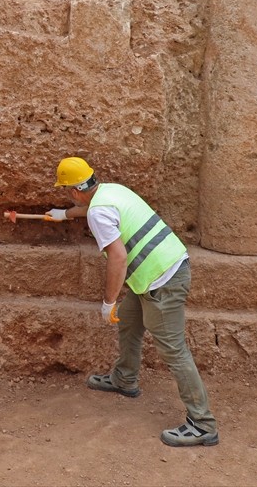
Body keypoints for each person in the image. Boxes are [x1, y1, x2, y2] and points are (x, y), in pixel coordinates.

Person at [46, 156, 219, 447]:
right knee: (129, 320)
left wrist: (107, 302)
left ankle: (202, 424)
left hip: (161, 282)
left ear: (74, 191)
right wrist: (65, 215)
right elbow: (90, 208)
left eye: (67, 192)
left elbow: (118, 257)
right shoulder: (111, 190)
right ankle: (124, 379)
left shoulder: (98, 212)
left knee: (174, 351)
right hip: (165, 269)